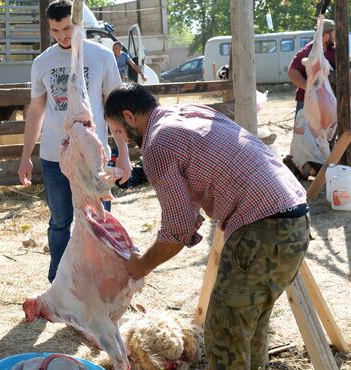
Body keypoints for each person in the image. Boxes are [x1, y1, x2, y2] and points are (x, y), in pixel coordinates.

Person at [104, 83, 310, 370]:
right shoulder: (192, 112)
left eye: (117, 131)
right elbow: (218, 163)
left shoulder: (157, 144)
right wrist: (193, 210)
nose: (121, 140)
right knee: (249, 326)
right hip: (297, 217)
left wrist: (140, 265)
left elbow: (175, 232)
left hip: (262, 229)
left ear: (129, 116)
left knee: (224, 335)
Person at [17, 0, 131, 283]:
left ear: (78, 23)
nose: (62, 36)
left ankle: (102, 279)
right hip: (56, 157)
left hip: (94, 157)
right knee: (59, 222)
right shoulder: (42, 62)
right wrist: (25, 155)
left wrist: (124, 153)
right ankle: (59, 282)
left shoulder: (103, 57)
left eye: (67, 28)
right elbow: (36, 111)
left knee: (99, 219)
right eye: (55, 30)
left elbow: (115, 111)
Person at [288, 18, 336, 118]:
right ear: (326, 36)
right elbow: (292, 72)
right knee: (307, 132)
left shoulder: (334, 51)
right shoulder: (307, 51)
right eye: (334, 33)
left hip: (327, 101)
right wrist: (310, 89)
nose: (336, 36)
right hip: (307, 101)